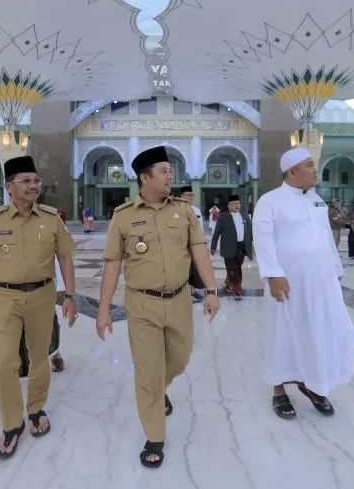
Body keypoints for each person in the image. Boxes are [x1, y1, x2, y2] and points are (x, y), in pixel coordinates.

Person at [97, 145, 221, 469]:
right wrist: (103, 309)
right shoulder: (123, 217)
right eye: (164, 171)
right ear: (145, 177)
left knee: (180, 359)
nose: (171, 176)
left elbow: (200, 253)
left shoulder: (184, 212)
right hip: (141, 304)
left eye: (170, 170)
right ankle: (155, 436)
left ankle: (157, 389)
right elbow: (112, 265)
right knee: (148, 373)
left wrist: (211, 290)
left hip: (179, 299)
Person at [0, 155, 78, 460]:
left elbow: (65, 257)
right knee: (4, 362)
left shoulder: (52, 218)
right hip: (4, 298)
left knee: (39, 359)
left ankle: (36, 409)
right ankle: (11, 424)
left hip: (42, 297)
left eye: (35, 180)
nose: (33, 185)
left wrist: (70, 296)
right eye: (25, 181)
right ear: (9, 186)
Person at [252, 147, 354, 421]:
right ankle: (279, 390)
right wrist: (273, 274)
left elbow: (325, 239)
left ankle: (313, 384)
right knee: (283, 331)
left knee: (318, 331)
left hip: (321, 282)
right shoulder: (270, 201)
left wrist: (335, 270)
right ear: (292, 171)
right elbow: (262, 240)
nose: (314, 170)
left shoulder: (317, 201)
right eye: (309, 165)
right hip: (287, 282)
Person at [0, 257, 68, 405]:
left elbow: (55, 253)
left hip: (39, 288)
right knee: (6, 343)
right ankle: (1, 385)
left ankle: (54, 353)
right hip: (7, 292)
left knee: (48, 326)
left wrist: (62, 285)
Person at [210, 194, 254, 300]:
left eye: (238, 203)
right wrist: (213, 246)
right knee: (234, 269)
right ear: (229, 205)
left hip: (241, 247)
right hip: (228, 247)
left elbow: (250, 232)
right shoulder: (224, 216)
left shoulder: (244, 216)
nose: (237, 205)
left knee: (237, 267)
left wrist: (252, 245)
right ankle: (237, 290)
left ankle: (228, 282)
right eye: (234, 203)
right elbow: (216, 232)